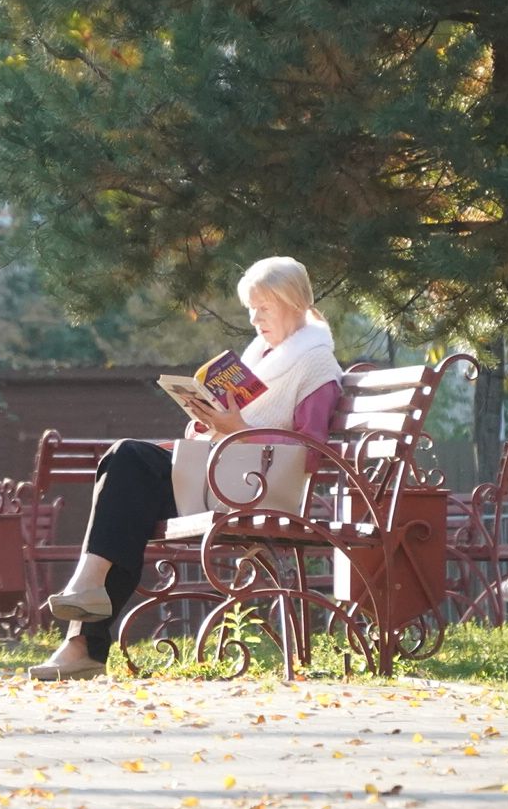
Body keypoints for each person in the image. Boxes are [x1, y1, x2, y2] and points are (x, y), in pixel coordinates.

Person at [30, 257, 344, 681]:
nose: (254, 318)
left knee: (127, 465)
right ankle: (81, 636)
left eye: (263, 307)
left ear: (293, 303)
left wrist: (238, 429)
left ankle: (83, 625)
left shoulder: (316, 364)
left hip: (254, 490)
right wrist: (207, 421)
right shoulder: (260, 357)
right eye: (250, 308)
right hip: (220, 477)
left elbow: (311, 451)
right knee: (125, 473)